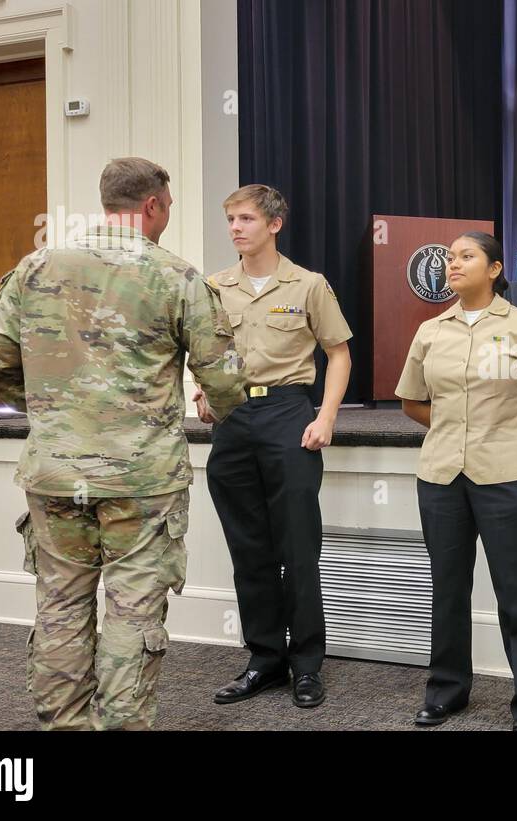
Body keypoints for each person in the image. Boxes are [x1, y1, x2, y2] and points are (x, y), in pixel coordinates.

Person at [0, 157, 247, 730]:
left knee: (60, 608)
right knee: (131, 616)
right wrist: (219, 411)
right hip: (141, 482)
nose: (169, 215)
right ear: (152, 205)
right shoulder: (176, 277)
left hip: (54, 475)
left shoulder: (35, 267)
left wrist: (57, 415)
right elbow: (224, 379)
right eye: (169, 206)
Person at [396, 232, 517, 731]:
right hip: (441, 475)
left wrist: (509, 431)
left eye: (466, 256)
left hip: (505, 474)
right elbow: (411, 401)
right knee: (447, 588)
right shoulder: (430, 330)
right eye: (449, 257)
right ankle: (447, 690)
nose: (453, 264)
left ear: (494, 269)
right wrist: (456, 430)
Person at [201, 185, 353, 710]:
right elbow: (203, 354)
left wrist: (326, 415)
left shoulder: (308, 285)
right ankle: (264, 659)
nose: (236, 228)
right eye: (230, 220)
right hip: (233, 419)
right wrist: (202, 392)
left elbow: (338, 353)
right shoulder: (214, 286)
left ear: (274, 224)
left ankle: (306, 664)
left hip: (289, 413)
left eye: (245, 219)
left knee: (297, 549)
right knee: (249, 550)